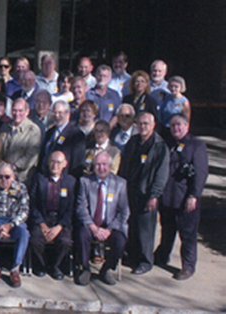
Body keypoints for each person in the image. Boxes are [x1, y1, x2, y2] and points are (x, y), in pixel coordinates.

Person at [154, 114, 209, 280]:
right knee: (167, 230)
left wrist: (194, 195)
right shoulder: (168, 143)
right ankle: (162, 256)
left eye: (179, 125)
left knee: (187, 234)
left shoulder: (196, 145)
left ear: (187, 126)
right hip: (167, 197)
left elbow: (201, 173)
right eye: (172, 126)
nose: (175, 129)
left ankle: (188, 266)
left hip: (186, 199)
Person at [119, 112, 169, 275]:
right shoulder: (133, 142)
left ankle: (146, 261)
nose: (143, 127)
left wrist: (154, 195)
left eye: (146, 123)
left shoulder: (159, 146)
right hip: (131, 190)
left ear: (153, 125)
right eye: (140, 123)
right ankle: (132, 256)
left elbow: (161, 174)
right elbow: (124, 166)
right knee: (132, 225)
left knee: (145, 230)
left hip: (147, 194)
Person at [74, 152, 130, 286]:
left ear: (110, 166)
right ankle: (85, 268)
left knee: (120, 241)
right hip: (91, 224)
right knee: (82, 235)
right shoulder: (85, 181)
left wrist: (109, 230)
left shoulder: (120, 183)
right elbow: (81, 208)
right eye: (97, 164)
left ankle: (106, 269)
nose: (101, 168)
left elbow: (124, 211)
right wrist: (93, 228)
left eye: (104, 164)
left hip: (111, 226)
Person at [28, 151, 76, 280]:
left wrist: (59, 227)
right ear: (48, 162)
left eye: (59, 162)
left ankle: (56, 266)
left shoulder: (71, 182)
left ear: (65, 164)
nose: (55, 165)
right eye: (52, 161)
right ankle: (41, 265)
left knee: (65, 242)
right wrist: (42, 224)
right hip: (43, 218)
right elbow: (32, 204)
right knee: (35, 240)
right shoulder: (39, 178)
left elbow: (71, 208)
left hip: (61, 220)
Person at [39, 100, 86, 178]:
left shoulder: (77, 135)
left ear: (68, 114)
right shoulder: (49, 132)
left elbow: (77, 163)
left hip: (64, 181)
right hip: (46, 179)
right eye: (54, 112)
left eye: (60, 113)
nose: (57, 115)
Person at [1, 98, 42, 183]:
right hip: (3, 175)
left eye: (20, 111)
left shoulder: (33, 130)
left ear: (27, 112)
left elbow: (31, 155)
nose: (17, 114)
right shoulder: (5, 126)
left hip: (22, 177)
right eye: (14, 110)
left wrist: (13, 167)